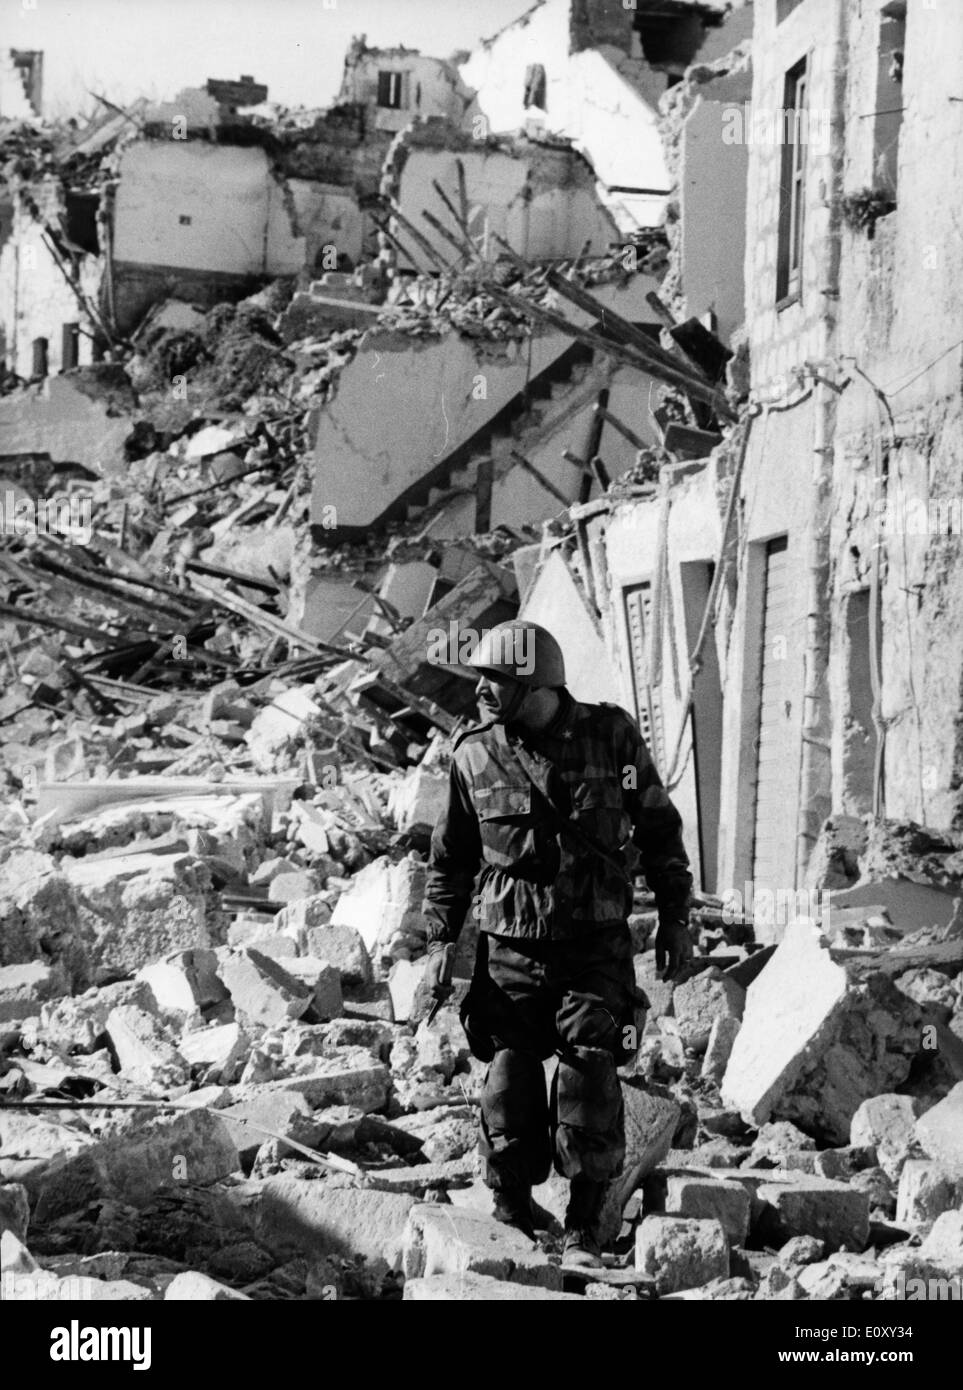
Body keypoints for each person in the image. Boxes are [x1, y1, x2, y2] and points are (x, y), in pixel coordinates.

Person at [422, 618, 694, 1268]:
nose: (483, 692)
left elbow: (658, 830)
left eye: (496, 681)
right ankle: (512, 1207)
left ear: (535, 684)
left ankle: (586, 1218)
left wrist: (677, 917)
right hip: (508, 949)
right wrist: (438, 942)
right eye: (481, 680)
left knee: (589, 1072)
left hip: (594, 946)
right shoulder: (472, 754)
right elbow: (451, 859)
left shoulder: (611, 737)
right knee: (509, 1078)